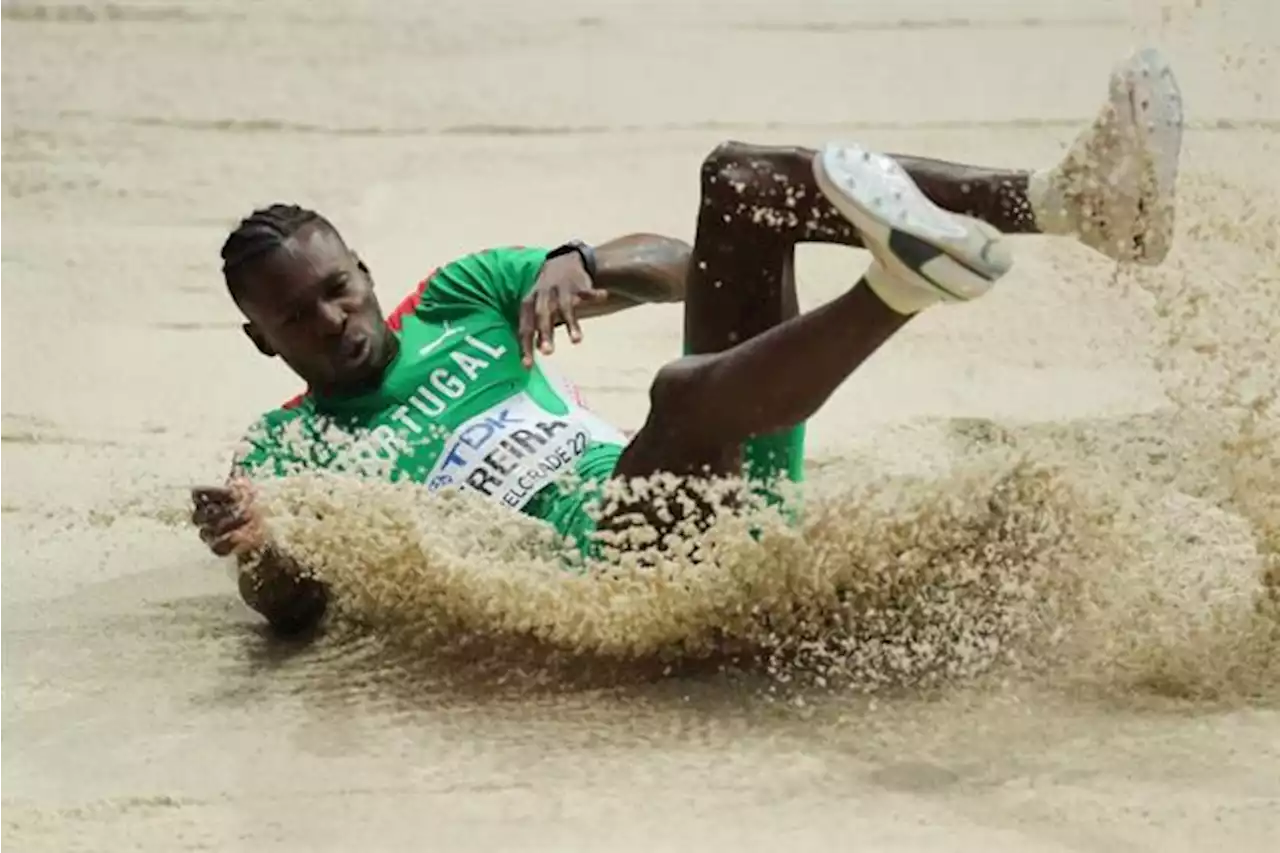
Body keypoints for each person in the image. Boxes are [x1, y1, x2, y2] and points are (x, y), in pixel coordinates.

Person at [192, 48, 1184, 635]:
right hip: (625, 561)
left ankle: (1073, 203)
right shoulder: (286, 448)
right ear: (259, 338)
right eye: (297, 316)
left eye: (336, 289)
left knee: (739, 183)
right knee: (678, 392)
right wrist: (257, 547)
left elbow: (681, 265)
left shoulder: (456, 298)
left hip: (725, 472)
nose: (332, 320)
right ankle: (897, 285)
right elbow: (287, 604)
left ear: (362, 271)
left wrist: (583, 261)